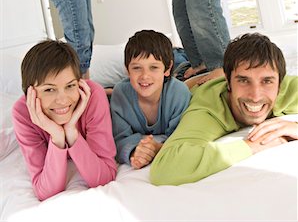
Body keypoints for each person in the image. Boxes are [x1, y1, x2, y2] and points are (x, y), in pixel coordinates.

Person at [150, 33, 298, 185]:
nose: (255, 96)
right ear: (228, 82)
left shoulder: (286, 87)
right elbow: (164, 168)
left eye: (267, 81)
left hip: (210, 74)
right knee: (175, 59)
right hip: (184, 77)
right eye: (243, 80)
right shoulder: (207, 110)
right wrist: (251, 146)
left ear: (280, 83)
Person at [12, 39, 117, 201]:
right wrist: (57, 136)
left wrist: (71, 132)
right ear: (30, 93)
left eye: (70, 86)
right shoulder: (22, 113)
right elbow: (45, 191)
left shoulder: (93, 95)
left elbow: (104, 177)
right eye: (49, 89)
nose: (62, 100)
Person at [110, 30, 191, 169]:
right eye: (136, 68)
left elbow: (182, 137)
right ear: (127, 70)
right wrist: (135, 152)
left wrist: (158, 148)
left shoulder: (178, 93)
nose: (145, 76)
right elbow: (119, 139)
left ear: (167, 68)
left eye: (153, 67)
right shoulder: (120, 94)